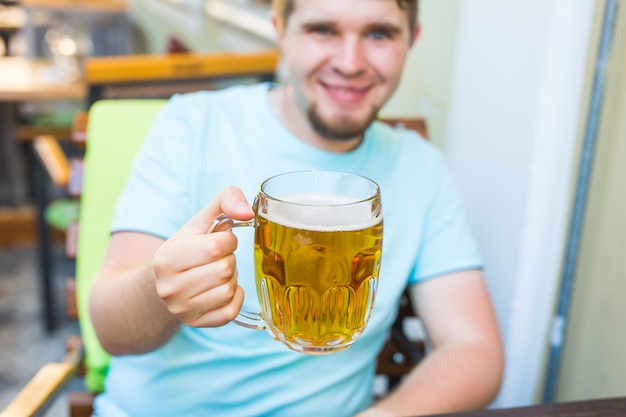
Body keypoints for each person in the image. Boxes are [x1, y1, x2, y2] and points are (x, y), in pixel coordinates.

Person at [89, 0, 504, 416]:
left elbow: (475, 350)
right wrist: (161, 287)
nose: (350, 62)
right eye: (322, 29)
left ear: (411, 39)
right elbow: (111, 329)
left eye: (379, 33)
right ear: (280, 29)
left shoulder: (420, 166)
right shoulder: (193, 125)